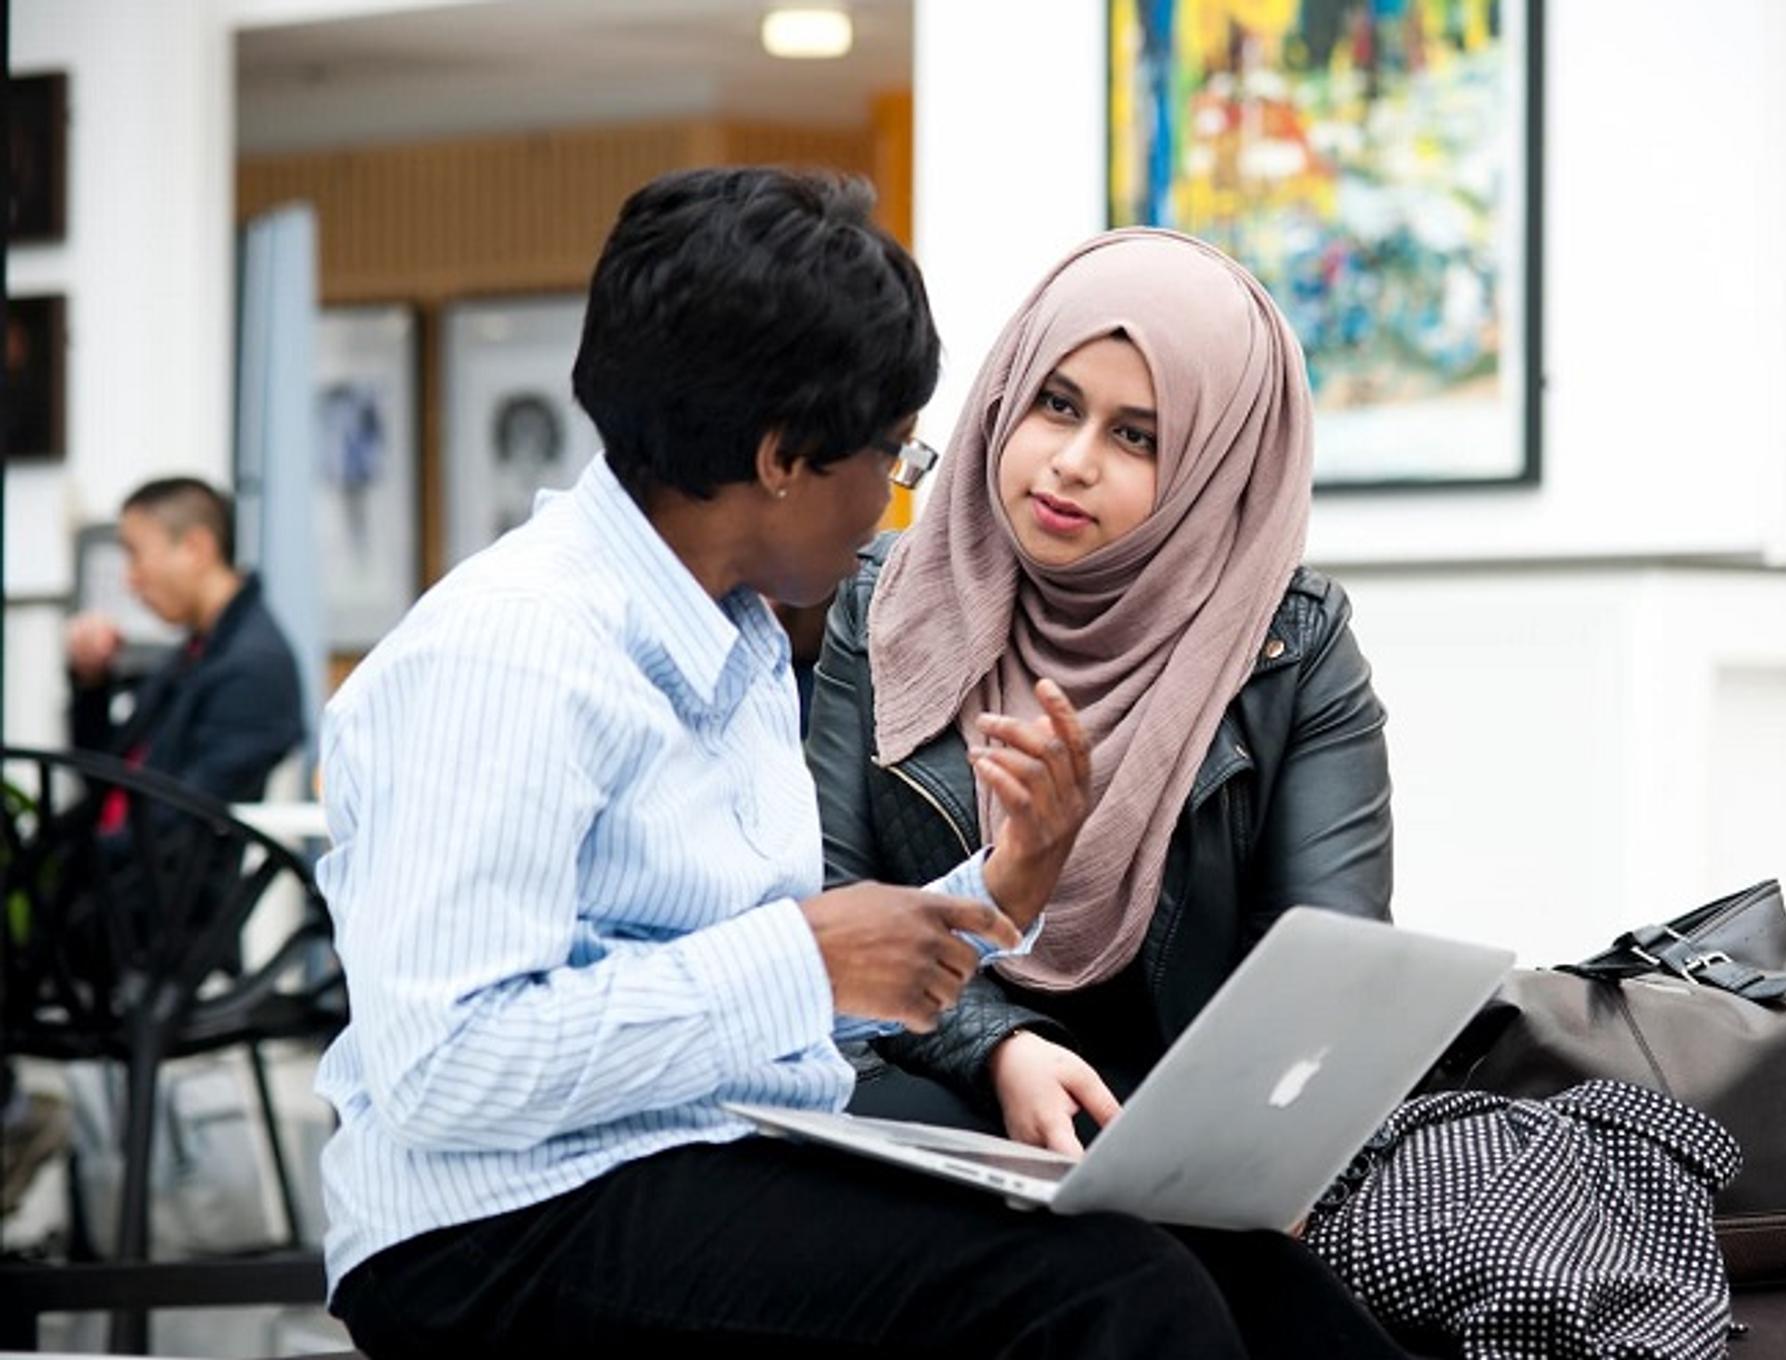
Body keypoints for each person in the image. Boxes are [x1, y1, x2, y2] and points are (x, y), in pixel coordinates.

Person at [317, 167, 1411, 1360]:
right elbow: (447, 1069)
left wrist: (994, 894)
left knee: (1254, 1287)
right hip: (496, 1225)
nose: (897, 500)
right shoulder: (520, 652)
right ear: (785, 456)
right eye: (890, 455)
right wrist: (804, 957)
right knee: (1108, 1296)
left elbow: (795, 963)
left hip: (701, 1144)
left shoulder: (725, 629)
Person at [808, 228, 1394, 1155]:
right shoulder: (884, 606)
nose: (1073, 461)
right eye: (1056, 404)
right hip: (930, 1097)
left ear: (1215, 465)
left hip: (1182, 1130)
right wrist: (998, 1046)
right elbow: (830, 910)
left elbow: (1328, 971)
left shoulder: (1290, 647)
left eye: (1136, 436)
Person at [65, 477, 304, 808]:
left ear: (196, 548)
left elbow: (182, 823)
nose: (130, 579)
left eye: (135, 554)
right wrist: (92, 683)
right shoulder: (196, 651)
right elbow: (107, 776)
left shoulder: (251, 667)